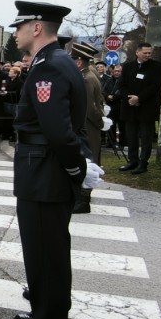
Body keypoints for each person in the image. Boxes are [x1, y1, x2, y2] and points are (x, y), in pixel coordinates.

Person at [8, 1, 102, 319]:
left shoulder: (49, 66)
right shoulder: (56, 61)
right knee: (48, 248)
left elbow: (57, 129)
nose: (15, 33)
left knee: (45, 250)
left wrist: (76, 167)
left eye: (19, 27)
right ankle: (47, 312)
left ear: (36, 28)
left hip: (44, 170)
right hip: (44, 167)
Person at [115, 42, 161, 174]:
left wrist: (139, 98)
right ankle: (132, 160)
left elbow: (155, 86)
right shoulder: (128, 66)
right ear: (137, 52)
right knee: (131, 136)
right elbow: (121, 85)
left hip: (146, 107)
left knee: (146, 137)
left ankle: (143, 163)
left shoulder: (156, 67)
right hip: (129, 106)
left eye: (149, 53)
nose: (148, 55)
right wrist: (130, 98)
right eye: (145, 53)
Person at [70, 42, 105, 214]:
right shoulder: (90, 74)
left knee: (87, 161)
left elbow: (88, 107)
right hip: (91, 125)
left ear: (78, 62)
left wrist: (99, 122)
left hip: (88, 125)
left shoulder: (85, 78)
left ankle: (83, 200)